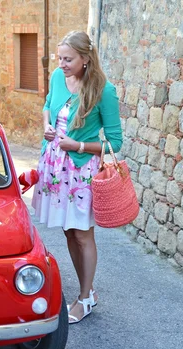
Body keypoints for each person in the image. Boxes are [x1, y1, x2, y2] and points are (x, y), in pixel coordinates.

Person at [31, 31, 123, 324]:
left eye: (68, 59)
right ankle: (88, 290)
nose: (62, 64)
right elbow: (48, 105)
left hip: (80, 172)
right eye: (60, 58)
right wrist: (47, 126)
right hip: (55, 168)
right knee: (68, 231)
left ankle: (84, 298)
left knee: (83, 234)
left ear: (85, 59)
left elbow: (115, 142)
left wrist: (78, 145)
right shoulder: (58, 78)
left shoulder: (103, 90)